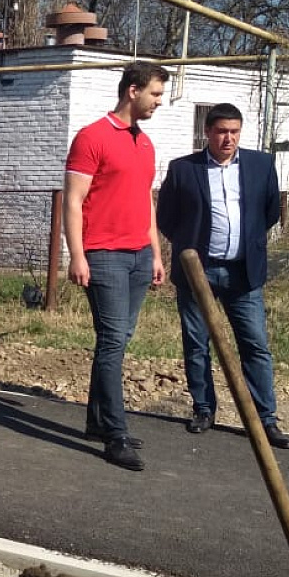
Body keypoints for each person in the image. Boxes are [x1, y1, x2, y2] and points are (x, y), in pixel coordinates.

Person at [156, 102, 289, 449]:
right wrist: (190, 250)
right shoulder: (184, 169)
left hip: (243, 273)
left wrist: (246, 242)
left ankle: (265, 419)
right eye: (221, 132)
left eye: (234, 131)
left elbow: (269, 213)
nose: (227, 138)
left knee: (255, 346)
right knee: (197, 344)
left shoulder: (261, 165)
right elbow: (167, 218)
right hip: (198, 274)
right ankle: (203, 409)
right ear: (208, 133)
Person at [64, 60, 169, 472]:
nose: (159, 102)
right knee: (111, 341)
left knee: (118, 340)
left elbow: (146, 202)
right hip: (103, 255)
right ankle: (116, 433)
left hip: (139, 256)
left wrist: (156, 252)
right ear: (133, 91)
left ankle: (96, 420)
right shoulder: (92, 137)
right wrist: (77, 254)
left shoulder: (145, 144)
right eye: (155, 94)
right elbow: (73, 200)